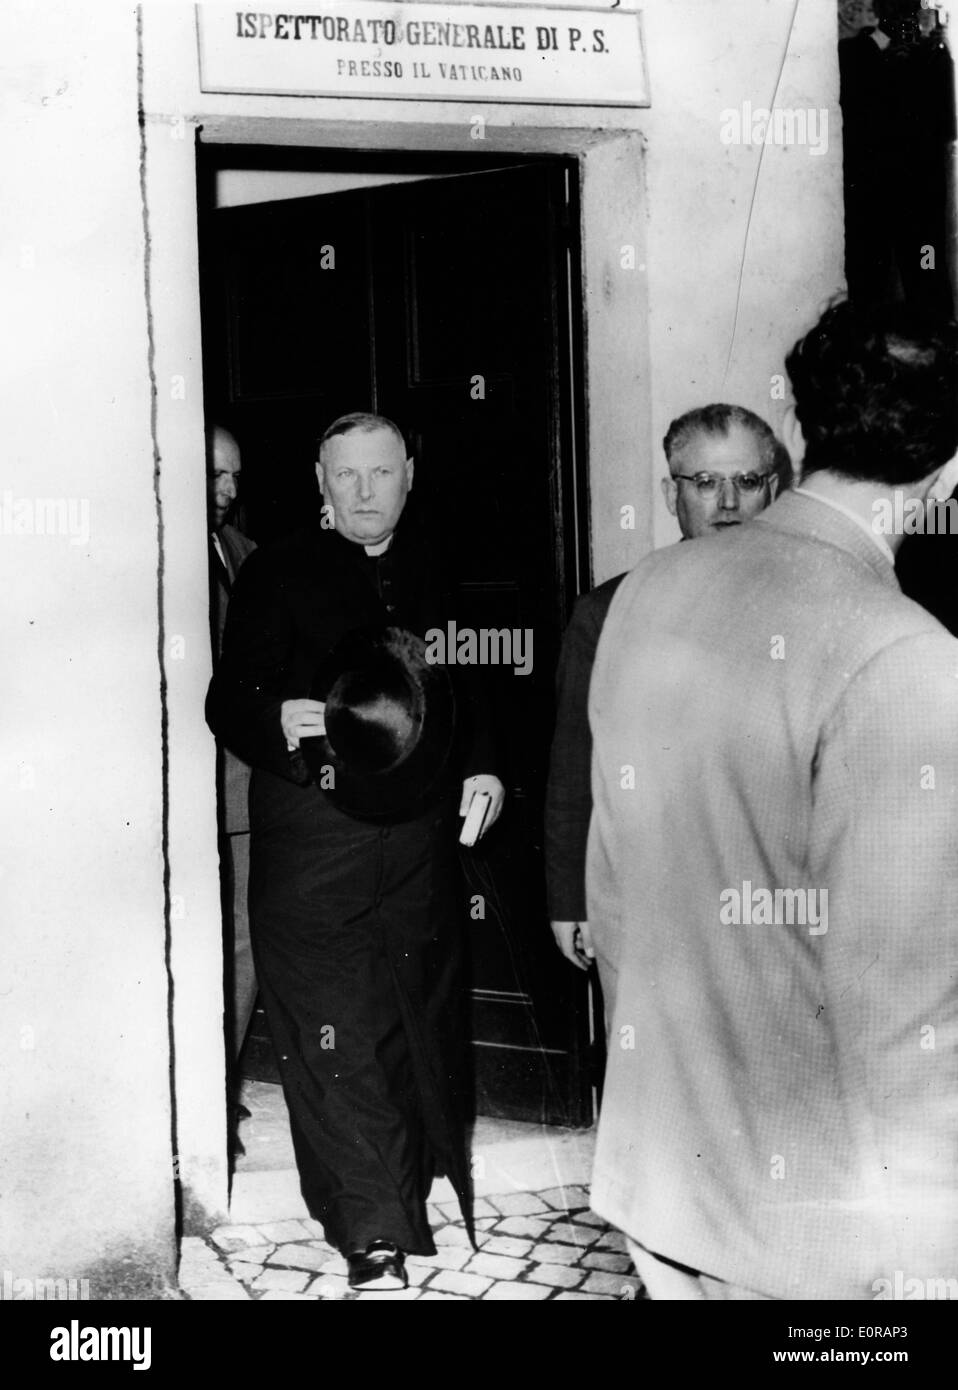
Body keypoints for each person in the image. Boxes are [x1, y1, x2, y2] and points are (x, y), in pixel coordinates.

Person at [587, 300, 958, 1299]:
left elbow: (616, 895)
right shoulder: (905, 654)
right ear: (949, 470)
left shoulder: (645, 592)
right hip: (813, 1240)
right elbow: (903, 1011)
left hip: (662, 1180)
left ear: (796, 433)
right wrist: (927, 1266)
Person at [206, 412, 504, 1291]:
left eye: (381, 471)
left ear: (410, 473)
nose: (366, 491)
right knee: (334, 1032)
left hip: (417, 835)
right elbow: (230, 696)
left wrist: (485, 765)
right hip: (314, 837)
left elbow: (472, 682)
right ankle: (369, 1227)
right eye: (347, 475)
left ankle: (412, 1189)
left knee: (413, 1013)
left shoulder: (439, 566)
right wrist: (276, 719)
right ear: (320, 481)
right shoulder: (276, 570)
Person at [545, 404, 784, 1004]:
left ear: (774, 490)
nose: (728, 502)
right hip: (648, 905)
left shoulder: (815, 605)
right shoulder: (606, 615)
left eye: (747, 482)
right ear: (668, 492)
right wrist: (570, 898)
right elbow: (576, 766)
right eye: (704, 482)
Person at [207, 425, 258, 1119]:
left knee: (246, 938)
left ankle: (217, 1089)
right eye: (214, 475)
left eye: (235, 476)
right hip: (184, 792)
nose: (229, 490)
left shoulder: (246, 556)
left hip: (247, 792)